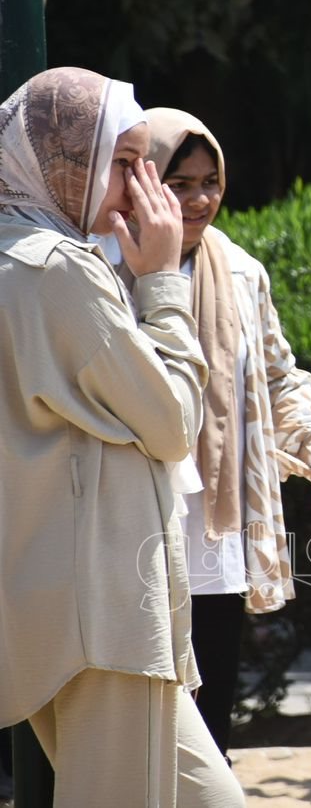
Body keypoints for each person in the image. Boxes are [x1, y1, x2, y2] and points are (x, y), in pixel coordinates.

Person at [0, 69, 245, 807]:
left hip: (69, 604)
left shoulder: (23, 255)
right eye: (125, 162)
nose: (146, 188)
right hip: (101, 612)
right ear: (67, 162)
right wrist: (163, 279)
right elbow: (172, 424)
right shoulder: (56, 268)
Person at [115, 108, 311, 760]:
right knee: (128, 721)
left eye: (210, 182)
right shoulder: (99, 265)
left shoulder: (241, 271)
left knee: (208, 724)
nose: (199, 200)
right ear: (141, 183)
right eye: (179, 184)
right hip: (124, 521)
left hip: (213, 527)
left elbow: (278, 379)